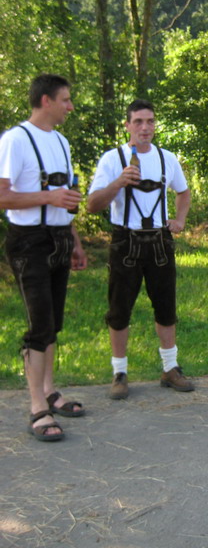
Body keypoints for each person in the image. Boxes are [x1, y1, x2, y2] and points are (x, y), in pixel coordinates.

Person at [0, 74, 87, 441]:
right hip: (29, 242)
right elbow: (2, 196)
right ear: (46, 100)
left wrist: (75, 241)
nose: (70, 106)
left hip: (59, 238)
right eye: (66, 100)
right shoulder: (15, 140)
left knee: (53, 323)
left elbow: (64, 198)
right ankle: (37, 406)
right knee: (39, 326)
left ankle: (50, 390)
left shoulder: (62, 142)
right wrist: (48, 197)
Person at [87, 99, 193, 400]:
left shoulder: (166, 158)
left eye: (150, 121)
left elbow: (183, 192)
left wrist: (180, 220)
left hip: (160, 241)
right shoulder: (113, 159)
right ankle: (119, 372)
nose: (145, 127)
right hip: (126, 241)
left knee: (166, 306)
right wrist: (118, 182)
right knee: (119, 309)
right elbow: (92, 205)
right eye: (138, 122)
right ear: (127, 125)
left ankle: (170, 368)